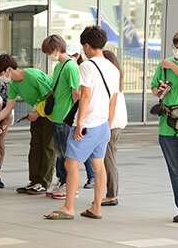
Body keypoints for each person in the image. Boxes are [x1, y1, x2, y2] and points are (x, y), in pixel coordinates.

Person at [45, 25, 119, 220]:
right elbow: (113, 100)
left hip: (87, 124)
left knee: (71, 163)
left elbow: (84, 96)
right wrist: (108, 126)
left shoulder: (87, 66)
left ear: (86, 45)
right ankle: (96, 207)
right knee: (99, 165)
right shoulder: (113, 68)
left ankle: (68, 207)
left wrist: (79, 124)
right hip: (103, 124)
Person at [0, 54, 55, 195]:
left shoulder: (32, 76)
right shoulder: (14, 84)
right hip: (37, 113)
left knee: (48, 148)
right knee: (35, 147)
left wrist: (37, 113)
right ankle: (34, 181)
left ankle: (43, 183)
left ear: (9, 69)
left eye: (1, 73)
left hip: (50, 114)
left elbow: (50, 97)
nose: (0, 77)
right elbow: (8, 108)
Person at [41, 36, 81, 200]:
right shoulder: (59, 66)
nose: (49, 56)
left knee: (66, 153)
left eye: (49, 52)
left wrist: (76, 117)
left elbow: (76, 93)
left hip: (65, 117)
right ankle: (61, 181)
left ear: (57, 50)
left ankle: (68, 184)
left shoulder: (70, 67)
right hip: (56, 116)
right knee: (59, 153)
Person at [151, 29, 178, 223]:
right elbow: (154, 89)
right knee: (175, 170)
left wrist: (172, 64)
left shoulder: (168, 63)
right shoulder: (165, 64)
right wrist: (159, 90)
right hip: (168, 125)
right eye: (176, 40)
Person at [101, 50, 128, 206]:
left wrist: (107, 127)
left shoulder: (110, 81)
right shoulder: (117, 79)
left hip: (110, 125)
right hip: (115, 125)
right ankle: (111, 193)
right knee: (109, 159)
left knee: (109, 160)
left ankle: (112, 195)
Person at [67, 43, 96, 190]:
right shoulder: (69, 67)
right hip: (76, 115)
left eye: (71, 55)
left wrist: (79, 120)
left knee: (80, 151)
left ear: (78, 56)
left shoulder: (83, 69)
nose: (69, 58)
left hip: (82, 116)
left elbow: (81, 95)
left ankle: (92, 177)